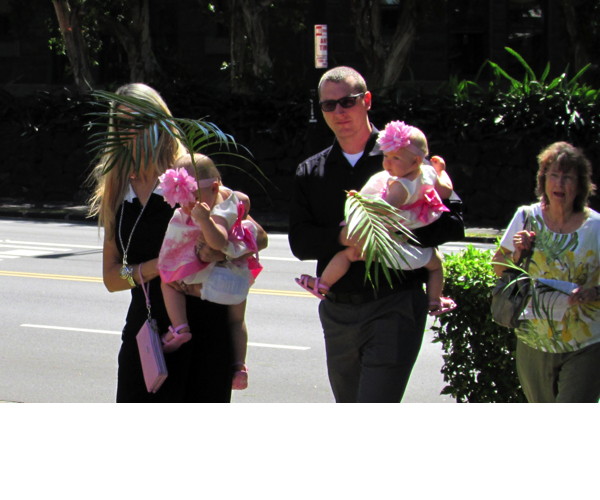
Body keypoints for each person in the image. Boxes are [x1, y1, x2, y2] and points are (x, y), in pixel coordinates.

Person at [87, 82, 267, 402]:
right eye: (122, 124)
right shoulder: (116, 191)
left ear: (160, 122)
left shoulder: (187, 175)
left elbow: (257, 235)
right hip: (147, 334)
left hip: (204, 330)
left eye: (141, 121)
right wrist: (160, 267)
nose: (131, 131)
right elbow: (112, 279)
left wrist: (219, 247)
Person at [289, 66, 459, 403]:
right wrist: (345, 239)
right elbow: (300, 242)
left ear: (366, 101)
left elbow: (453, 221)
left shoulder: (403, 154)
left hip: (394, 304)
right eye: (328, 105)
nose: (339, 112)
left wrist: (391, 230)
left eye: (347, 102)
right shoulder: (310, 171)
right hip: (338, 312)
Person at [295, 120, 456, 316]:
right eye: (385, 156)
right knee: (436, 264)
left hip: (391, 245)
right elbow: (446, 191)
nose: (387, 163)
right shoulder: (428, 173)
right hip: (413, 247)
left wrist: (361, 201)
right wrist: (441, 171)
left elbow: (384, 210)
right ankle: (434, 299)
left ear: (415, 161)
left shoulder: (400, 186)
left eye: (395, 158)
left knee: (348, 254)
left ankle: (323, 283)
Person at [492, 141, 600, 403]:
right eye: (553, 175)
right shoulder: (526, 217)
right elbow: (498, 268)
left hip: (585, 343)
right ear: (543, 180)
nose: (559, 184)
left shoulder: (596, 226)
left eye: (567, 177)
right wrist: (518, 252)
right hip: (533, 340)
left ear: (580, 185)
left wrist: (593, 292)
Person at [157, 153, 263, 390]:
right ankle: (239, 367)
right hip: (237, 283)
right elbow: (246, 206)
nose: (188, 205)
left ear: (214, 187)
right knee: (237, 322)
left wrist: (205, 221)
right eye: (182, 198)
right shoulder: (231, 198)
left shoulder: (219, 211)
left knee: (168, 282)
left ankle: (180, 327)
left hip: (215, 284)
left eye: (193, 197)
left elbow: (218, 241)